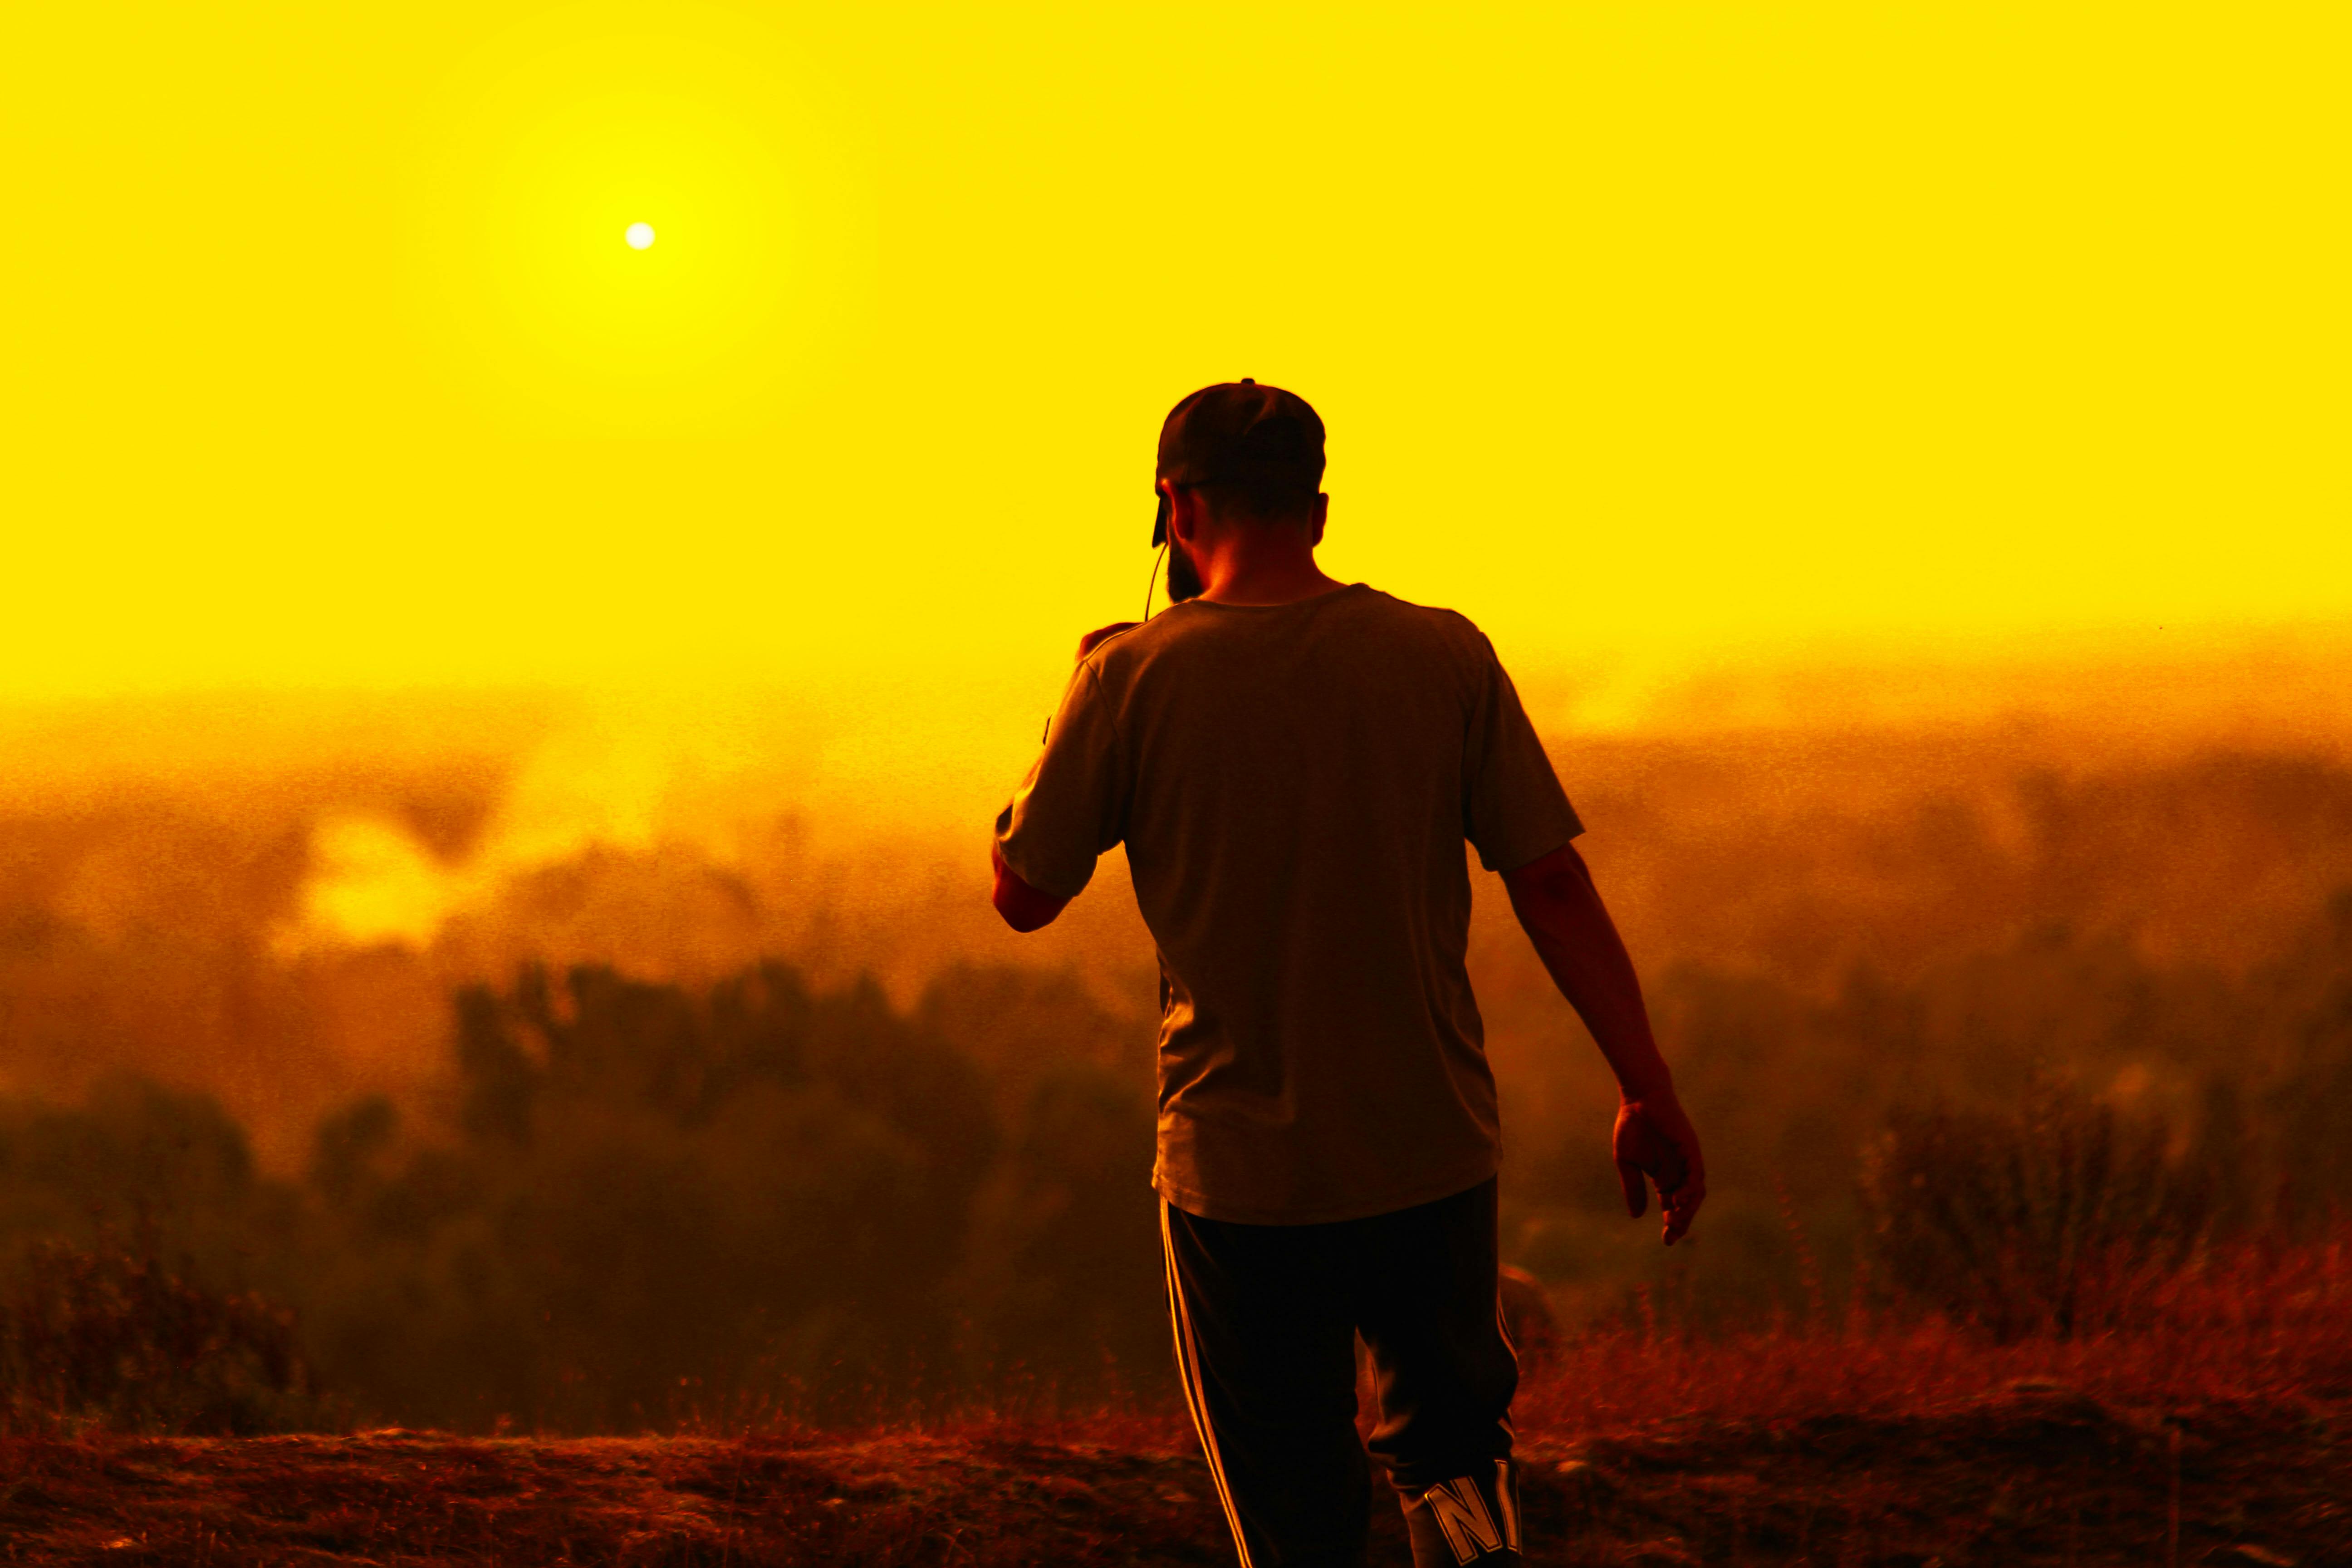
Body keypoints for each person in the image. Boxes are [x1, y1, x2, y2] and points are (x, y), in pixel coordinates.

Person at [988, 380, 1704, 1568]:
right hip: (1429, 1153)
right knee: (1455, 1462)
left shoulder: (1130, 681)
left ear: (1176, 511)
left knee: (1295, 1513)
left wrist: (1074, 700)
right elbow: (1552, 884)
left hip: (1242, 1180)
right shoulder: (1443, 653)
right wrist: (1645, 1087)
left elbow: (1024, 892)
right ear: (1317, 510)